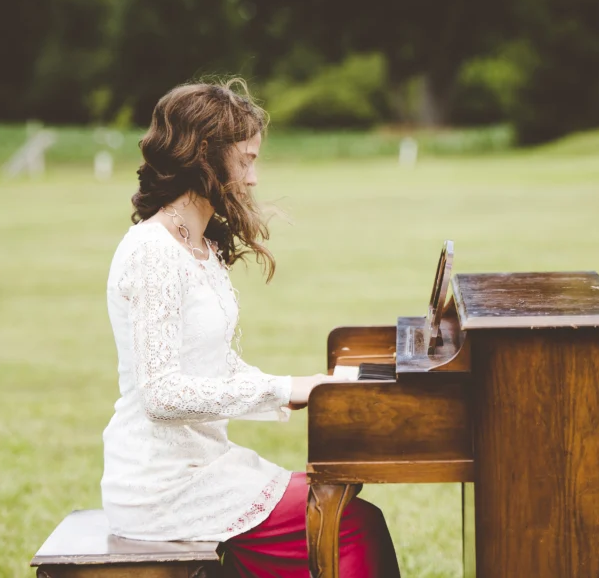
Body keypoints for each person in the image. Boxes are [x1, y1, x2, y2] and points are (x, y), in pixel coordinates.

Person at [100, 79, 400, 577]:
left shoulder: (199, 246)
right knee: (351, 523)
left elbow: (214, 365)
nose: (254, 178)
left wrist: (304, 388)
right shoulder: (153, 250)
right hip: (163, 487)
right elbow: (161, 394)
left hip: (206, 469)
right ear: (204, 156)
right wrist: (284, 388)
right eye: (247, 160)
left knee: (353, 513)